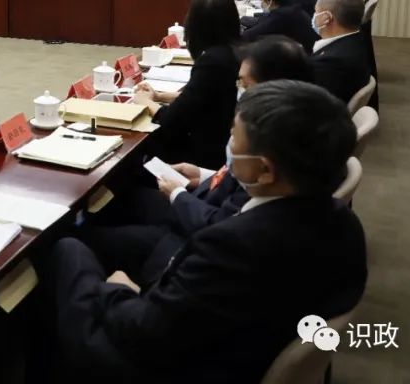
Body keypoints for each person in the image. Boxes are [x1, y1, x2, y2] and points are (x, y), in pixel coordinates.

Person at [41, 81, 366, 384]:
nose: (230, 142)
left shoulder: (234, 245)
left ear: (265, 169)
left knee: (67, 250)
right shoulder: (343, 222)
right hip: (239, 340)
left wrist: (120, 291)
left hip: (168, 365)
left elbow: (144, 333)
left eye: (235, 136)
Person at [79, 36, 312, 289]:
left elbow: (218, 224)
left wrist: (177, 194)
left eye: (244, 83)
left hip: (184, 238)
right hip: (200, 203)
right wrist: (202, 175)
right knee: (122, 197)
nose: (239, 89)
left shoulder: (273, 147)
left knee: (77, 243)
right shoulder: (285, 128)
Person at [133, 0, 239, 168]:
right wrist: (159, 96)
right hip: (221, 141)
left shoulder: (212, 62)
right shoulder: (235, 50)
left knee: (138, 154)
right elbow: (201, 97)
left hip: (204, 154)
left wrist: (146, 102)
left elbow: (172, 120)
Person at [309, 0, 371, 104]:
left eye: (316, 12)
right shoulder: (357, 41)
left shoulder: (330, 63)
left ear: (326, 18)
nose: (314, 16)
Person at [240, 0, 318, 52]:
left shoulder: (281, 17)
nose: (256, 0)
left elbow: (246, 37)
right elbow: (264, 21)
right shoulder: (292, 8)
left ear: (268, 1)